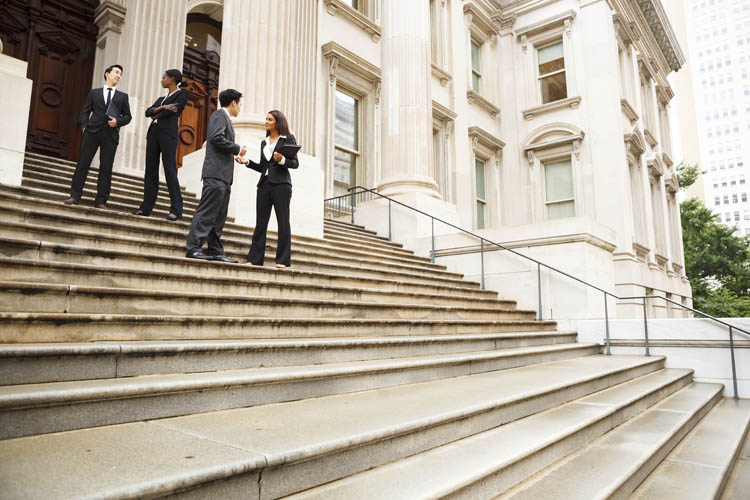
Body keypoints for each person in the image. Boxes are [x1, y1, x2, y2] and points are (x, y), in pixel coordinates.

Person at [185, 88, 246, 263]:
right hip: (216, 173)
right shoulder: (220, 115)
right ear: (233, 102)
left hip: (224, 176)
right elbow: (216, 138)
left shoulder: (225, 118)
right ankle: (194, 247)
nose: (240, 108)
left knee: (219, 216)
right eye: (240, 104)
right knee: (207, 212)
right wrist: (237, 148)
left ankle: (215, 250)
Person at [64, 64, 132, 209]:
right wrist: (84, 127)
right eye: (116, 72)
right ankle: (75, 196)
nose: (119, 76)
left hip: (110, 135)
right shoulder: (94, 93)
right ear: (107, 74)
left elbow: (128, 116)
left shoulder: (122, 97)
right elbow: (85, 111)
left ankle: (101, 201)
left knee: (106, 169)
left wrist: (117, 122)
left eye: (121, 74)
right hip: (92, 133)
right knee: (83, 164)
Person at [237, 110, 299, 268]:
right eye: (266, 119)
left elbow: (295, 163)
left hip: (282, 185)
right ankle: (255, 259)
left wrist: (282, 159)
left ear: (278, 121)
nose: (266, 122)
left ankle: (283, 261)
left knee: (283, 222)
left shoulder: (288, 138)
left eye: (269, 119)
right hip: (264, 184)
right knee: (260, 223)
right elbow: (263, 166)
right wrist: (247, 162)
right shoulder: (264, 142)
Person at [133, 69, 189, 221]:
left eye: (164, 77)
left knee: (170, 170)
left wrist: (157, 112)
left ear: (172, 79)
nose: (162, 80)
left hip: (168, 134)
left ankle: (176, 210)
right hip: (153, 133)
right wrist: (163, 107)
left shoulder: (183, 94)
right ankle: (145, 208)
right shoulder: (160, 99)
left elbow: (175, 110)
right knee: (150, 171)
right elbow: (148, 112)